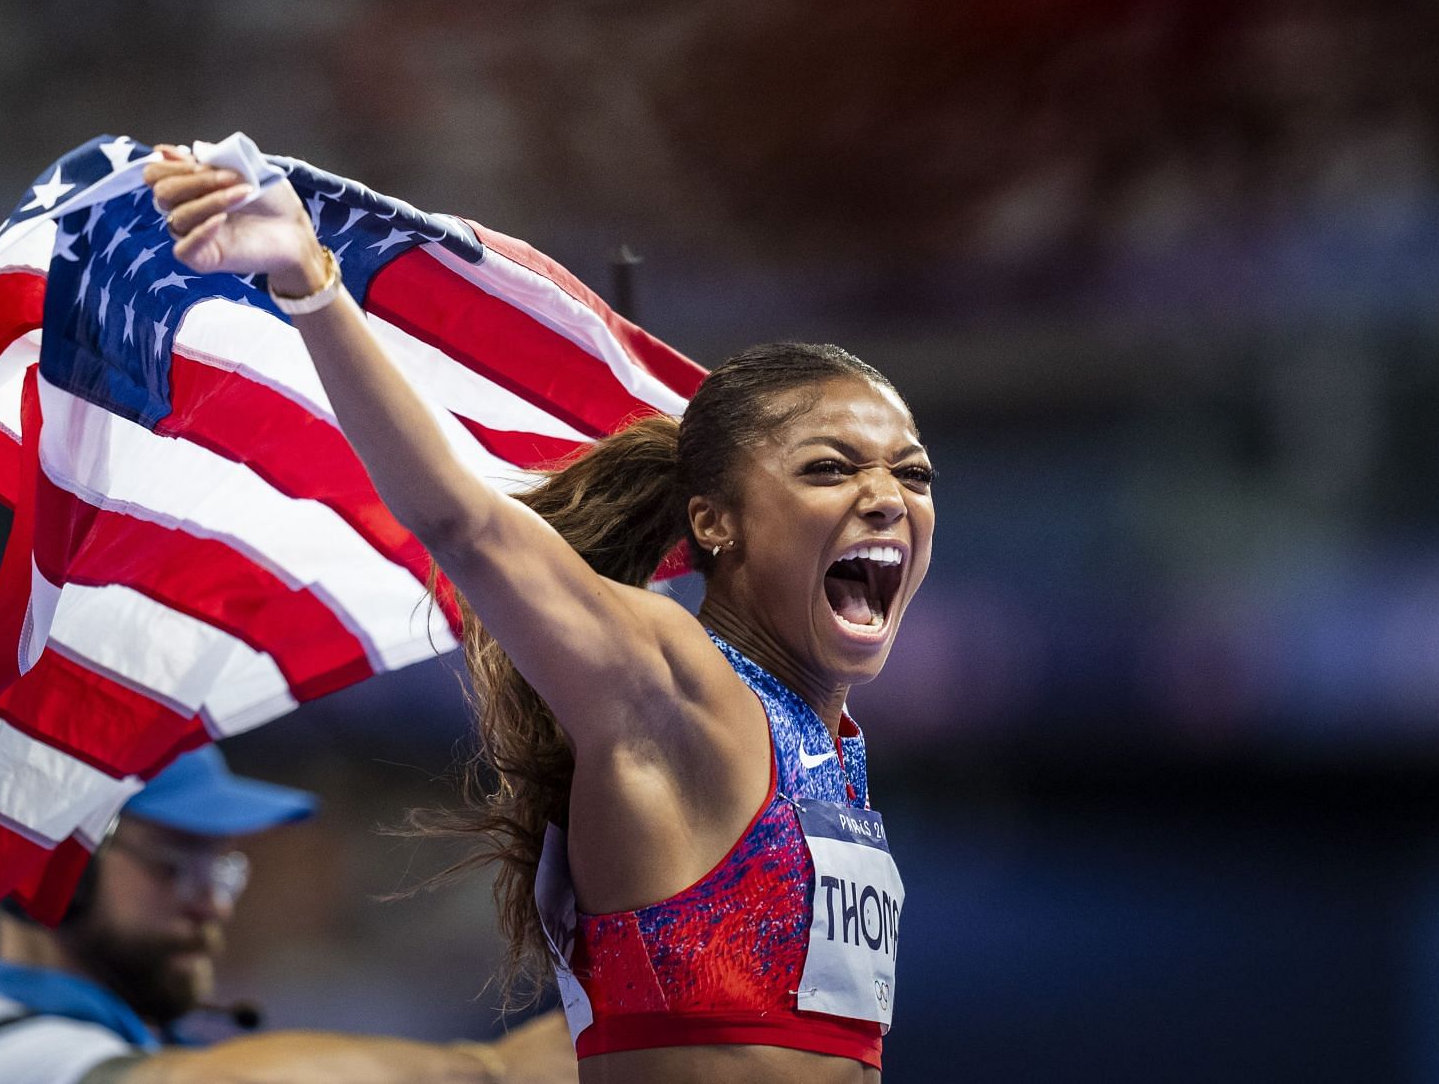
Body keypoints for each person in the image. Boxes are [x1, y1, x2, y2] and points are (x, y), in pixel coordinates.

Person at [145, 147, 936, 1084]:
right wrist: (309, 281)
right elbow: (464, 521)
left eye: (913, 472)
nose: (889, 495)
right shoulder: (673, 680)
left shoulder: (830, 742)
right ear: (715, 521)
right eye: (831, 467)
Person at [0, 744, 574, 1084]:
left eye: (221, 867)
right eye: (173, 864)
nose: (213, 899)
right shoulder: (7, 1064)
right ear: (43, 871)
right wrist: (495, 1071)